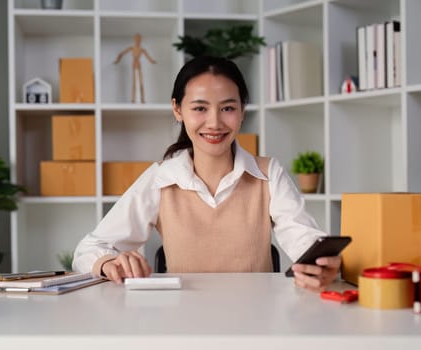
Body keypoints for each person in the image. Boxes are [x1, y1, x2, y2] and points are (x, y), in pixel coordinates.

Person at [73, 56, 341, 292]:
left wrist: (321, 265)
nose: (214, 123)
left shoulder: (268, 173)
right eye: (200, 108)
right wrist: (108, 261)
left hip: (257, 321)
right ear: (177, 109)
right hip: (183, 325)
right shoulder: (161, 178)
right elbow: (87, 250)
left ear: (242, 110)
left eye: (228, 108)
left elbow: (305, 240)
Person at [113, 33, 156, 103]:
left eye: (139, 39)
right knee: (134, 83)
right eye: (137, 39)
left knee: (141, 82)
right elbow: (122, 53)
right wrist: (117, 60)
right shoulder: (132, 48)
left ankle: (142, 99)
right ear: (135, 40)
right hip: (134, 66)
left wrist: (153, 61)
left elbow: (148, 57)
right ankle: (133, 99)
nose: (138, 40)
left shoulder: (142, 49)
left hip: (139, 66)